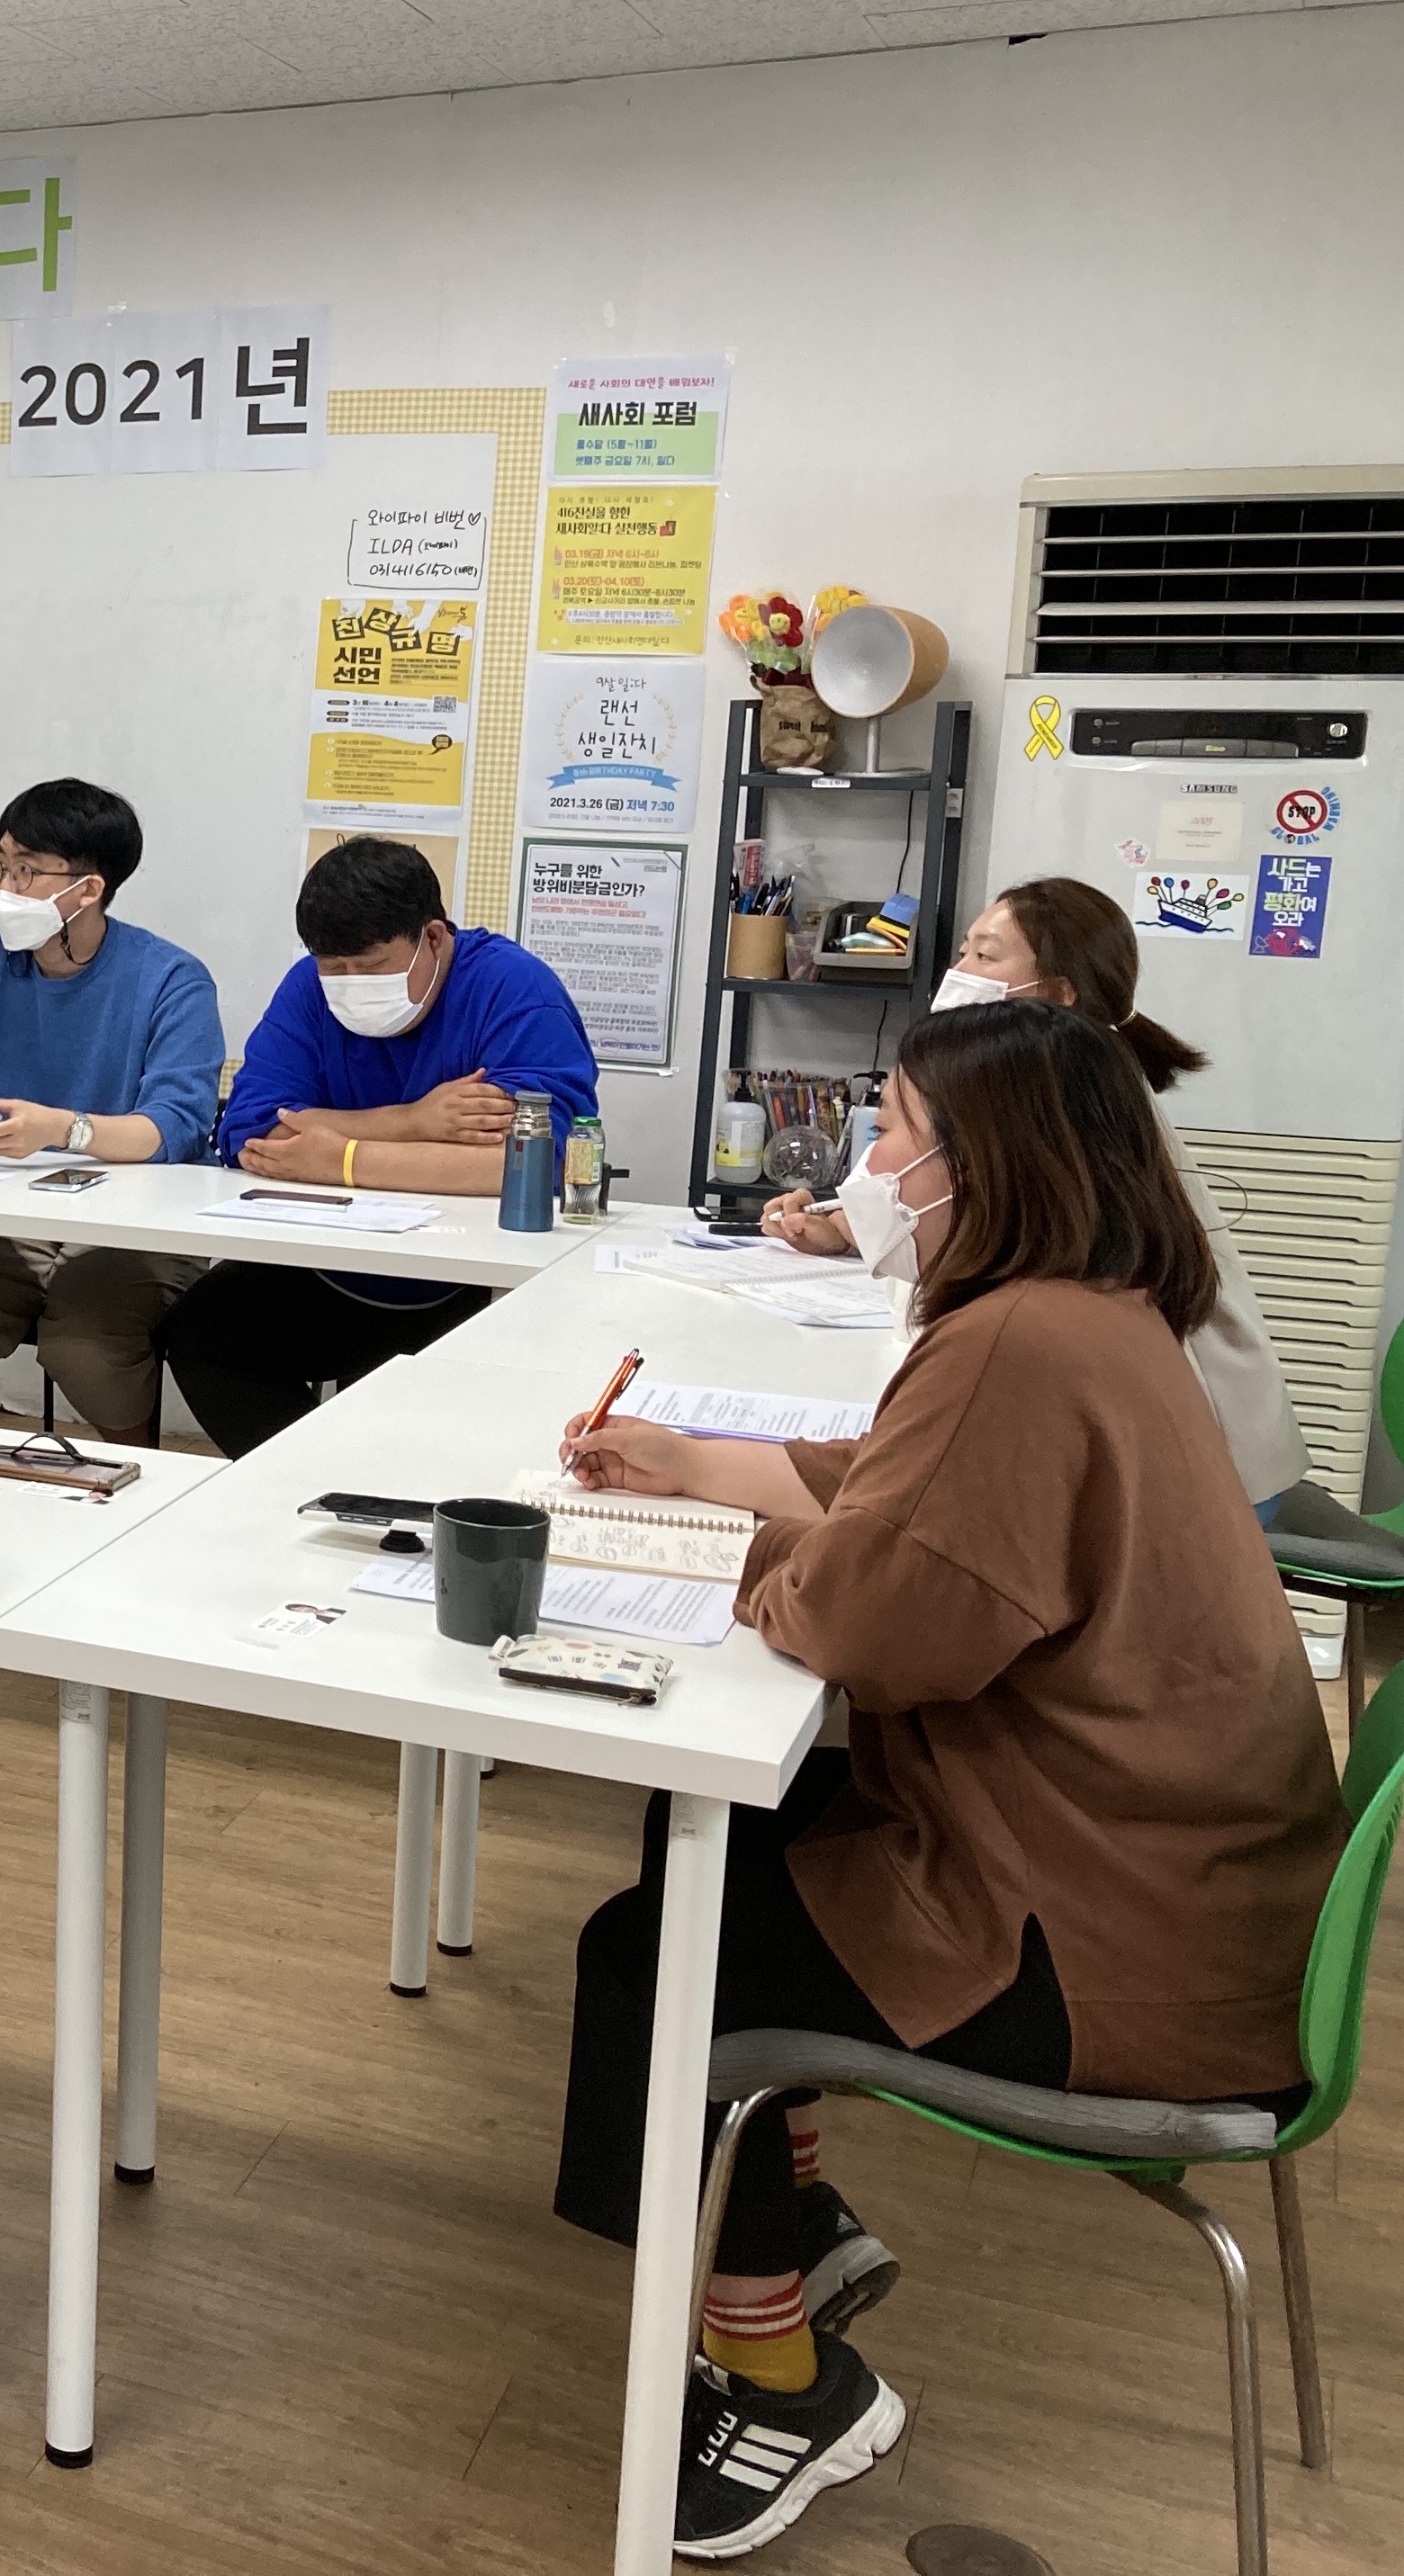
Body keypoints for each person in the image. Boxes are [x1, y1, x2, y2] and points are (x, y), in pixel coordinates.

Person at [554, 999, 1346, 2563]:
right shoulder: (1093, 1311)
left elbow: (872, 1621)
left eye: (896, 1137)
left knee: (652, 1956)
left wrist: (734, 1549)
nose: (872, 1166)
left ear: (983, 1166)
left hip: (1108, 1950)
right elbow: (901, 1485)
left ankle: (782, 2378)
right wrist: (697, 1467)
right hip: (1182, 1894)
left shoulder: (1015, 1341)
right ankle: (784, 2215)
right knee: (733, 1831)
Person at [762, 874, 1305, 1515]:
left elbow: (1010, 1243)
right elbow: (971, 1210)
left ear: (1057, 993)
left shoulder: (1076, 1106)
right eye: (963, 951)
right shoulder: (1041, 1084)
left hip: (1199, 1474)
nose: (959, 972)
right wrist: (847, 1225)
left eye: (985, 956)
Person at [159, 835, 601, 1456]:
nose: (349, 983)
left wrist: (341, 1158)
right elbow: (251, 1132)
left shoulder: (513, 988)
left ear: (433, 938)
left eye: (370, 966)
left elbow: (530, 1162)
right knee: (203, 1337)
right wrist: (414, 1122)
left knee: (416, 1422)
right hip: (324, 1264)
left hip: (461, 1277)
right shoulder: (308, 987)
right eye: (333, 966)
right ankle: (300, 1482)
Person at [0, 777, 223, 1443]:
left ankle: (135, 1470)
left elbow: (176, 1127)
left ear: (88, 889)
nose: (6, 888)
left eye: (27, 871)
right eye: (2, 866)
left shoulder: (171, 978)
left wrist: (63, 1130)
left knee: (85, 1344)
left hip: (134, 1222)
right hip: (3, 1214)